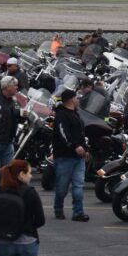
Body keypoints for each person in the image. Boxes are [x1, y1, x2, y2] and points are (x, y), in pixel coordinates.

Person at [51, 89, 89, 222]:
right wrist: (74, 146)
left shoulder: (76, 115)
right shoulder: (61, 115)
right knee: (62, 187)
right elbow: (63, 133)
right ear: (72, 99)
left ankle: (78, 213)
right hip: (64, 156)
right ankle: (58, 209)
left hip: (79, 158)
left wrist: (85, 148)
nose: (78, 100)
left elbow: (81, 135)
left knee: (78, 185)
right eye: (77, 98)